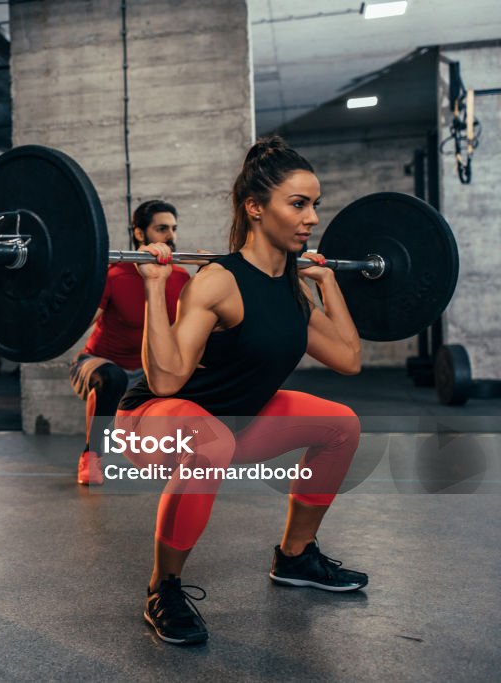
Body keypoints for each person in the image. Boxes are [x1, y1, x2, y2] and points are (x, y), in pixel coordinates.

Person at [117, 137, 367, 645]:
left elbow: (348, 359)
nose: (312, 218)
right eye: (298, 204)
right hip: (151, 422)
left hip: (234, 421)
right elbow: (167, 379)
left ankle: (295, 556)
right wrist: (151, 286)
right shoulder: (218, 281)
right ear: (255, 208)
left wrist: (328, 283)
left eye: (314, 205)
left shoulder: (292, 289)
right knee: (211, 441)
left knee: (342, 425)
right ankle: (162, 588)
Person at [69, 200, 189, 485]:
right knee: (111, 378)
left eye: (173, 229)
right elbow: (75, 324)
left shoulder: (181, 277)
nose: (170, 237)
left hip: (147, 375)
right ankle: (91, 456)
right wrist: (84, 280)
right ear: (139, 233)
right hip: (100, 366)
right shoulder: (115, 274)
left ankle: (182, 455)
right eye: (161, 229)